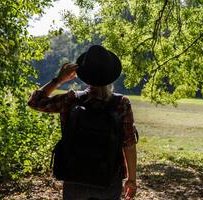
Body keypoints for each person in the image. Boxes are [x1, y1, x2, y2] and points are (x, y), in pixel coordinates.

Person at [28, 45, 138, 200]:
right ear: (112, 75)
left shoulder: (72, 99)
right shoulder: (122, 103)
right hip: (108, 178)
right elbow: (129, 143)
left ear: (85, 75)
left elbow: (35, 102)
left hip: (74, 175)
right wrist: (131, 180)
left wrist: (59, 79)